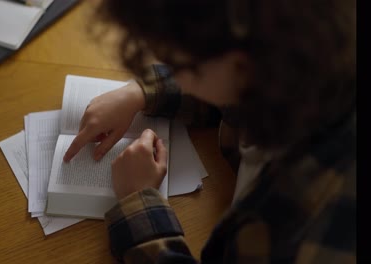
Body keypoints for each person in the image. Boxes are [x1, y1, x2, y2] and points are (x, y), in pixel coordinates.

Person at [63, 0, 356, 263]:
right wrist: (141, 92)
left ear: (245, 66)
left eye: (177, 64)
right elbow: (222, 85)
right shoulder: (300, 64)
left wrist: (139, 204)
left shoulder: (301, 228)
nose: (170, 71)